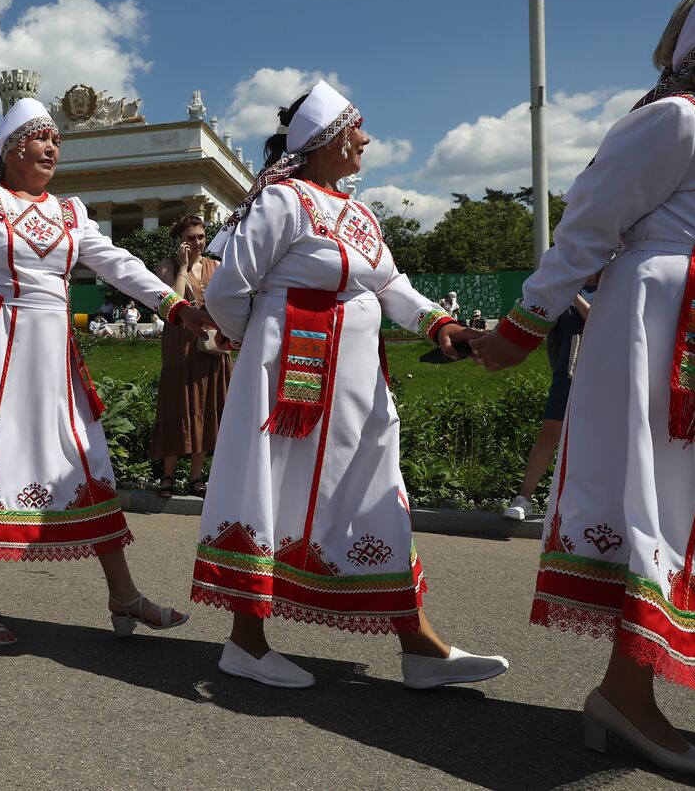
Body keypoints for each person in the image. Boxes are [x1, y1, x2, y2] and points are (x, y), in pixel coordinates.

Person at [194, 80, 508, 691]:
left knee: (377, 488)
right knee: (271, 486)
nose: (365, 138)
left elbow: (391, 286)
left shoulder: (359, 213)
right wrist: (262, 349)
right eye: (356, 128)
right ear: (330, 140)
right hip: (292, 383)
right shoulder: (282, 201)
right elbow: (227, 291)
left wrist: (439, 322)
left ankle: (419, 648)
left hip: (359, 383)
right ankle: (245, 643)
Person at [470, 0, 695, 773]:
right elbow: (586, 227)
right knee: (657, 500)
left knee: (678, 504)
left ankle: (625, 692)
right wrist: (522, 326)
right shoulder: (676, 119)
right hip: (659, 324)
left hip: (682, 320)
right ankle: (626, 698)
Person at [0, 96, 217, 645]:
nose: (52, 147)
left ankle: (123, 593)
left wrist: (174, 308)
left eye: (57, 140)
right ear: (11, 148)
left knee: (84, 459)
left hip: (54, 353)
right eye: (41, 138)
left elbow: (116, 263)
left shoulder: (70, 211)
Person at [502, 275, 597, 521]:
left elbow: (595, 318)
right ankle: (524, 498)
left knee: (601, 441)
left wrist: (572, 293)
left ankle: (596, 503)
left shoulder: (616, 288)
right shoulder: (564, 295)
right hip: (567, 376)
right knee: (548, 435)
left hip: (607, 378)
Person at [151, 214, 232, 498]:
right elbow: (170, 302)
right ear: (180, 240)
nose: (197, 242)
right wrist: (183, 268)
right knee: (178, 405)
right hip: (181, 346)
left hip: (211, 343)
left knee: (207, 407)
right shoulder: (168, 266)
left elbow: (229, 301)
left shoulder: (216, 266)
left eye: (201, 236)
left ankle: (196, 477)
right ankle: (168, 475)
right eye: (190, 238)